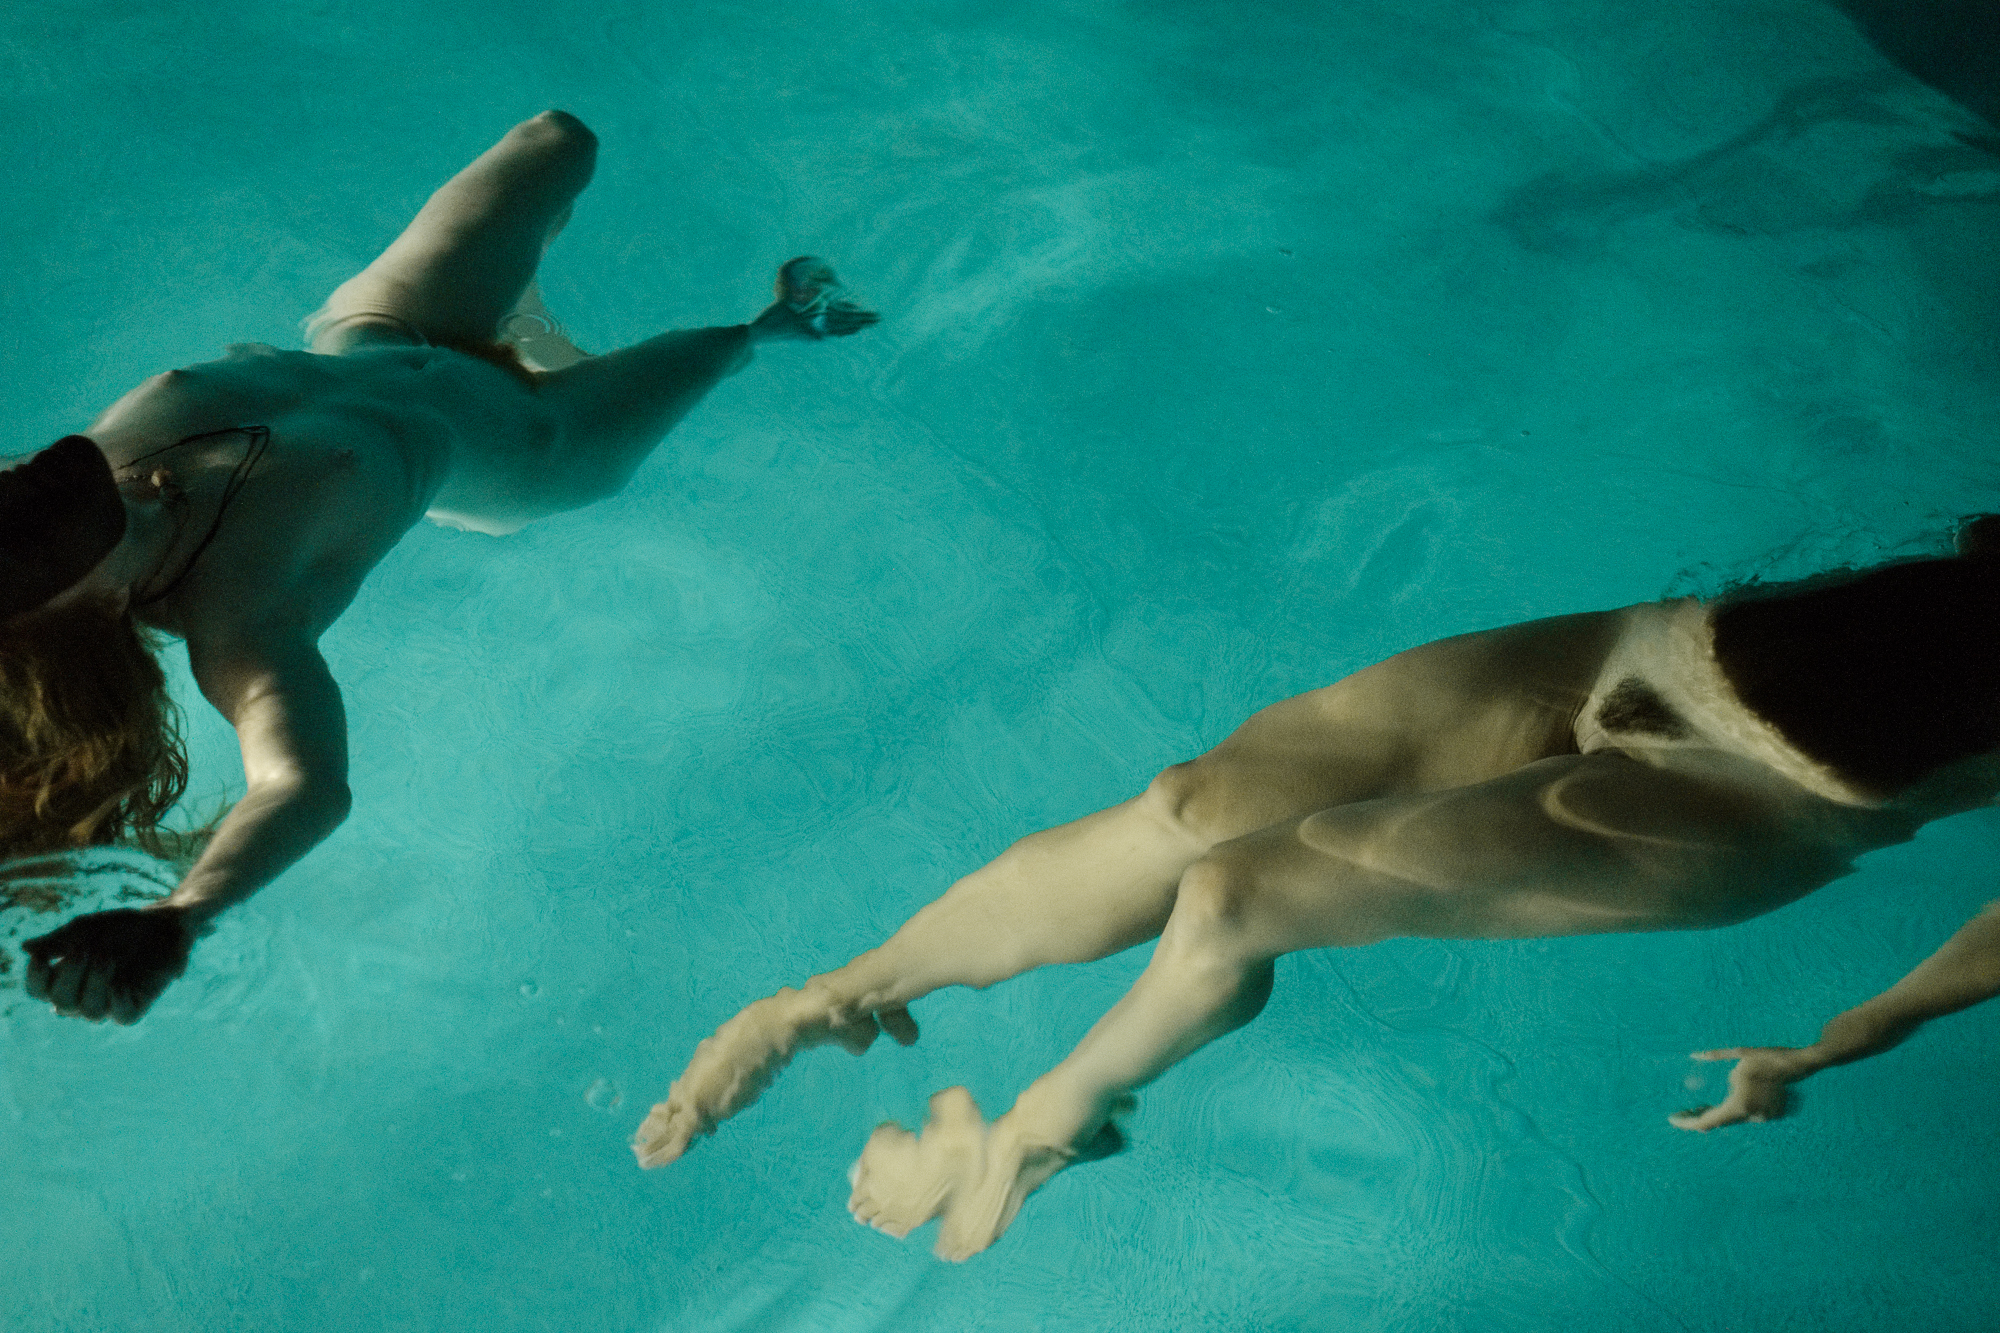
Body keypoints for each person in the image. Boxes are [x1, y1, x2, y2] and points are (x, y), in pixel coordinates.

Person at [633, 518, 2000, 1261]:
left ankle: (1038, 1125)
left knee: (1242, 895)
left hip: (1754, 804)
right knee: (1194, 803)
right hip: (1647, 653)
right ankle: (829, 998)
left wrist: (1848, 1033)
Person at [5, 111, 876, 1024]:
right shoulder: (242, 614)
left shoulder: (64, 485)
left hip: (383, 331)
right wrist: (182, 916)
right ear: (74, 619)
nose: (14, 483)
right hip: (530, 450)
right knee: (723, 342)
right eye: (19, 539)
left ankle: (525, 322)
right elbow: (303, 788)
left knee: (559, 142)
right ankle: (778, 328)